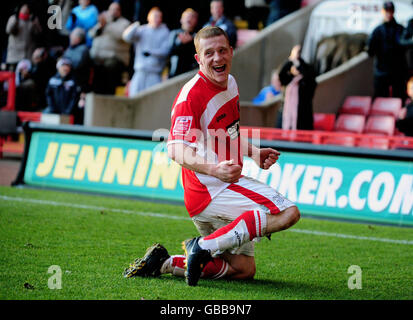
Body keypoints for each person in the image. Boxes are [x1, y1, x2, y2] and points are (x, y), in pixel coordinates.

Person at [123, 26, 300, 287]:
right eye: (209, 53)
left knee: (242, 269)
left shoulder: (230, 82)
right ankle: (202, 246)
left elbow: (227, 133)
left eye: (221, 50)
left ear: (231, 51)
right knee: (287, 212)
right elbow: (174, 148)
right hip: (213, 190)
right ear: (198, 59)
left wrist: (253, 152)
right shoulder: (191, 96)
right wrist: (214, 170)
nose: (217, 58)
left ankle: (163, 262)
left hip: (212, 195)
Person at [122, 7, 170, 96]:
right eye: (155, 16)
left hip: (154, 73)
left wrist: (151, 52)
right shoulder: (142, 29)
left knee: (153, 99)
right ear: (149, 17)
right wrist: (136, 24)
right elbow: (126, 37)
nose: (157, 19)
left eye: (159, 17)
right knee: (134, 97)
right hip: (140, 71)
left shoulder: (165, 32)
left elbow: (165, 51)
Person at [367, 1, 407, 101]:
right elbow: (370, 51)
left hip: (398, 73)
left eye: (390, 11)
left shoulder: (401, 29)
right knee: (381, 101)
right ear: (382, 11)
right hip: (381, 73)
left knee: (399, 100)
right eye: (386, 11)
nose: (388, 14)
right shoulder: (377, 31)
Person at [89, 2, 131, 94]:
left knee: (109, 68)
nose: (113, 12)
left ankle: (108, 95)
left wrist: (107, 25)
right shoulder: (103, 22)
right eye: (111, 9)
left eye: (116, 9)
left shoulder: (125, 23)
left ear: (120, 11)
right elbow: (91, 34)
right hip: (98, 57)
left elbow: (121, 35)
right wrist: (100, 27)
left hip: (115, 58)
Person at [278, 44, 317, 130]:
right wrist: (291, 60)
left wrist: (299, 64)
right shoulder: (289, 79)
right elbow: (281, 75)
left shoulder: (307, 76)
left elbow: (309, 78)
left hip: (302, 119)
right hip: (286, 116)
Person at [5, 3, 42, 71]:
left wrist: (36, 24)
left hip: (28, 53)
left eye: (27, 9)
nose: (25, 10)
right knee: (13, 74)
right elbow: (8, 30)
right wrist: (15, 21)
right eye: (23, 8)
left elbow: (38, 33)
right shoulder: (14, 18)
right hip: (14, 53)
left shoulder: (32, 19)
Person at [43, 58, 82, 123]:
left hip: (68, 111)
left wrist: (68, 110)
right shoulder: (52, 80)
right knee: (46, 113)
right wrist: (52, 108)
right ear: (58, 67)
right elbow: (48, 95)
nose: (65, 68)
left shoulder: (73, 81)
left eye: (68, 66)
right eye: (63, 66)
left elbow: (74, 97)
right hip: (54, 110)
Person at [168, 8, 199, 78]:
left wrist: (191, 41)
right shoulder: (174, 34)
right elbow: (169, 53)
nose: (189, 19)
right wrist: (180, 43)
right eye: (187, 17)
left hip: (192, 74)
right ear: (181, 20)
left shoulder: (198, 37)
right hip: (175, 74)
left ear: (196, 21)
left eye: (192, 17)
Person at [63, 27, 92, 93]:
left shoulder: (83, 49)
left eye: (72, 35)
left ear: (78, 39)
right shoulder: (70, 48)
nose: (70, 36)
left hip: (78, 81)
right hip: (67, 77)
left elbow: (77, 64)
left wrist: (66, 63)